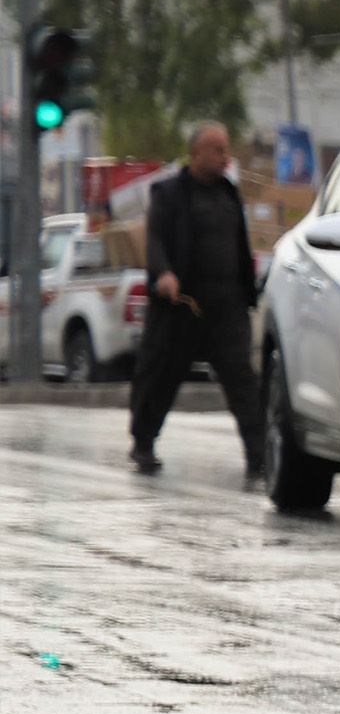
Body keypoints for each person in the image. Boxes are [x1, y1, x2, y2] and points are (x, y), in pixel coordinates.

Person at [130, 121, 270, 479]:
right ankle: (143, 442)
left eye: (226, 149)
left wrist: (248, 288)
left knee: (242, 379)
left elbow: (239, 245)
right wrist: (163, 274)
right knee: (163, 374)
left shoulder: (228, 193)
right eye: (218, 150)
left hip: (227, 304)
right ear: (196, 154)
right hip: (184, 304)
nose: (226, 157)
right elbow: (156, 241)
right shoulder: (169, 193)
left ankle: (259, 454)